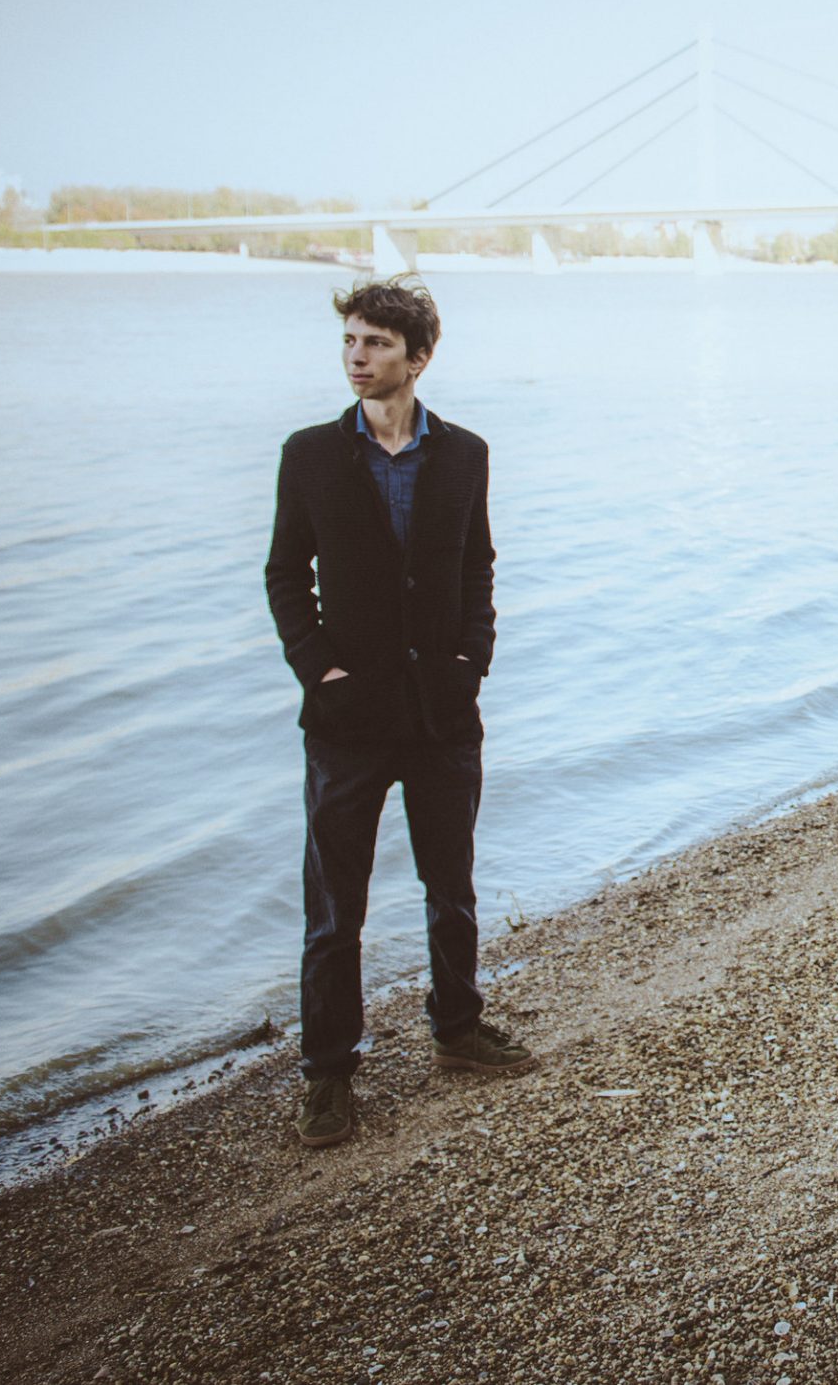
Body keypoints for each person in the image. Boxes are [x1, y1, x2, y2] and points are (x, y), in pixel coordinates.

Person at [263, 276, 534, 1149]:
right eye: (350, 340)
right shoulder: (310, 454)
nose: (356, 356)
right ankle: (327, 1073)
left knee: (450, 885)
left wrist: (470, 662)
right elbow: (284, 575)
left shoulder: (464, 454)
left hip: (441, 713)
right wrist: (320, 671)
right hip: (346, 720)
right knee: (334, 908)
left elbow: (476, 566)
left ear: (417, 358)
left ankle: (458, 1027)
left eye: (376, 343)